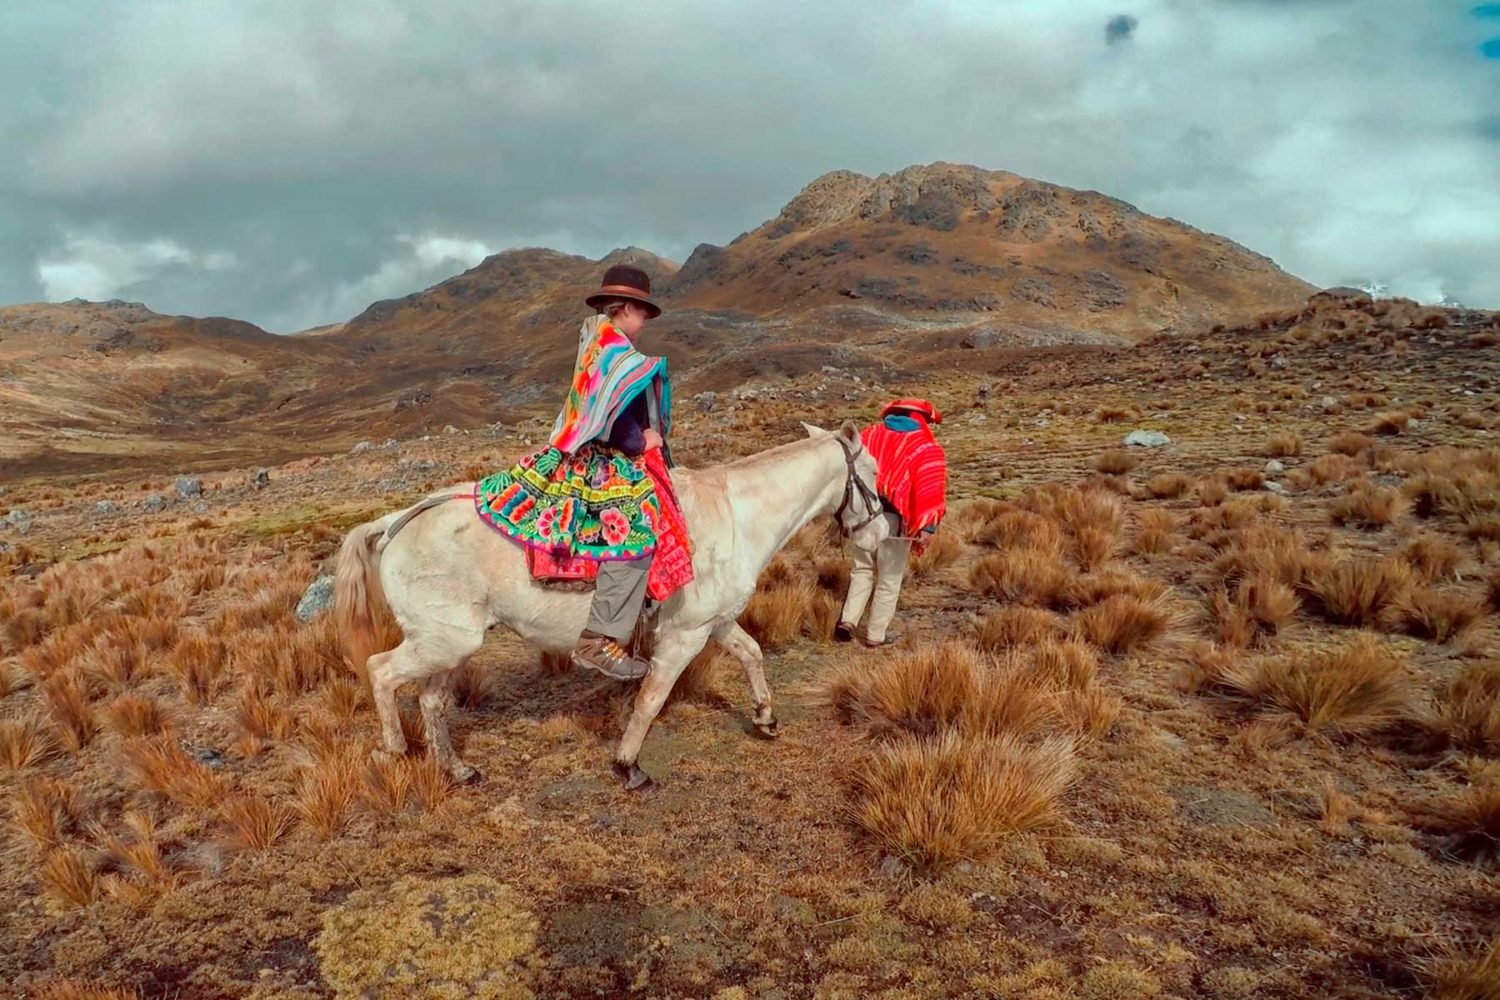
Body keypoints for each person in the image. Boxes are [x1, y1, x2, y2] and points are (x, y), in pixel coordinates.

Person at [475, 264, 681, 681]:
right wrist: (645, 442)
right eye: (641, 312)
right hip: (604, 457)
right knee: (635, 533)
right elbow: (618, 423)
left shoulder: (595, 344)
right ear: (624, 308)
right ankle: (599, 639)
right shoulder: (616, 354)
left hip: (586, 450)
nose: (643, 321)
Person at [835, 398, 948, 648]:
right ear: (918, 418)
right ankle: (875, 635)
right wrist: (927, 527)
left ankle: (848, 621)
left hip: (861, 514)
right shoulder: (925, 446)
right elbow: (930, 488)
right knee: (889, 577)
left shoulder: (870, 435)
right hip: (893, 520)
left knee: (862, 569)